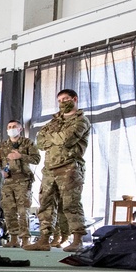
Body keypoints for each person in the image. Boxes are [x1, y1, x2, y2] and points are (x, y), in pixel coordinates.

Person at [26, 89, 91, 253]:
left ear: (74, 99)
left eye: (66, 99)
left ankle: (77, 239)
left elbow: (68, 139)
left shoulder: (81, 121)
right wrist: (56, 137)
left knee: (71, 204)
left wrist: (52, 137)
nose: (62, 102)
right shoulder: (54, 121)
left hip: (69, 167)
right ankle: (43, 239)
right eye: (60, 100)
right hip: (49, 169)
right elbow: (39, 141)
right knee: (45, 204)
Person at [0, 120, 40, 248]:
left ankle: (25, 238)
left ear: (20, 129)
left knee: (23, 210)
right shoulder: (3, 146)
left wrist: (21, 156)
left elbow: (36, 159)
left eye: (14, 127)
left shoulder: (28, 143)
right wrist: (2, 171)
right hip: (7, 182)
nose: (11, 129)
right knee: (9, 210)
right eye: (9, 127)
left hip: (23, 180)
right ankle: (13, 238)